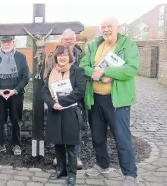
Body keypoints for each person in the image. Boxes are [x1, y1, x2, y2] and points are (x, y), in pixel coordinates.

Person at [79, 17, 139, 186]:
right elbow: (83, 66)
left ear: (117, 27)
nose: (106, 29)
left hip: (117, 101)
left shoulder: (128, 45)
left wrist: (106, 72)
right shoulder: (94, 45)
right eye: (103, 26)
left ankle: (130, 174)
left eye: (110, 26)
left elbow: (131, 69)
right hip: (95, 98)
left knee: (122, 138)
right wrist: (95, 73)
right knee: (97, 135)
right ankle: (102, 164)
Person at [42, 45, 86, 186]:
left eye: (65, 55)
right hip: (55, 111)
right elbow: (44, 91)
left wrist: (61, 101)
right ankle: (61, 170)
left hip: (70, 112)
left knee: (71, 146)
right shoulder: (51, 72)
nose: (62, 57)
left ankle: (72, 174)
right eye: (59, 55)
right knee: (58, 144)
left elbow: (80, 91)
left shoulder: (77, 71)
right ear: (56, 57)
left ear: (70, 57)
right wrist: (52, 104)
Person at [0, 35, 30, 155]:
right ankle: (0, 144)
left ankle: (16, 144)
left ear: (13, 42)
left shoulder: (21, 57)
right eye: (4, 42)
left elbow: (25, 76)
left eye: (8, 42)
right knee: (1, 119)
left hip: (16, 94)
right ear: (1, 43)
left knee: (16, 119)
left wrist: (15, 90)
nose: (6, 44)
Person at [52, 29, 86, 169]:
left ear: (75, 40)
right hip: (57, 100)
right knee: (59, 127)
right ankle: (59, 156)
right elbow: (47, 75)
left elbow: (83, 78)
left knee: (75, 128)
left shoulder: (82, 56)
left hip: (75, 100)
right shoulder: (52, 56)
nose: (68, 41)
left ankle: (76, 156)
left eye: (71, 39)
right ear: (61, 41)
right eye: (65, 39)